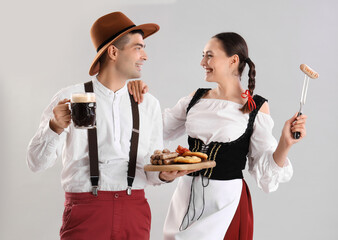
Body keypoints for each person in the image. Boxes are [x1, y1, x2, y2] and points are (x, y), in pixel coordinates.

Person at [128, 32, 307, 239]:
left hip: (225, 203)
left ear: (233, 60)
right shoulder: (194, 100)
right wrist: (138, 95)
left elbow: (264, 172)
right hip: (185, 198)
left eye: (209, 56)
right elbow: (150, 130)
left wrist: (286, 143)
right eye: (203, 55)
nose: (203, 62)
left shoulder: (256, 107)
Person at [26, 11, 178, 240]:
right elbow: (35, 163)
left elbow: (150, 170)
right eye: (138, 47)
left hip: (134, 210)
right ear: (113, 52)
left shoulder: (148, 103)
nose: (145, 55)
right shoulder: (70, 97)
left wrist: (166, 175)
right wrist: (54, 126)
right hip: (86, 212)